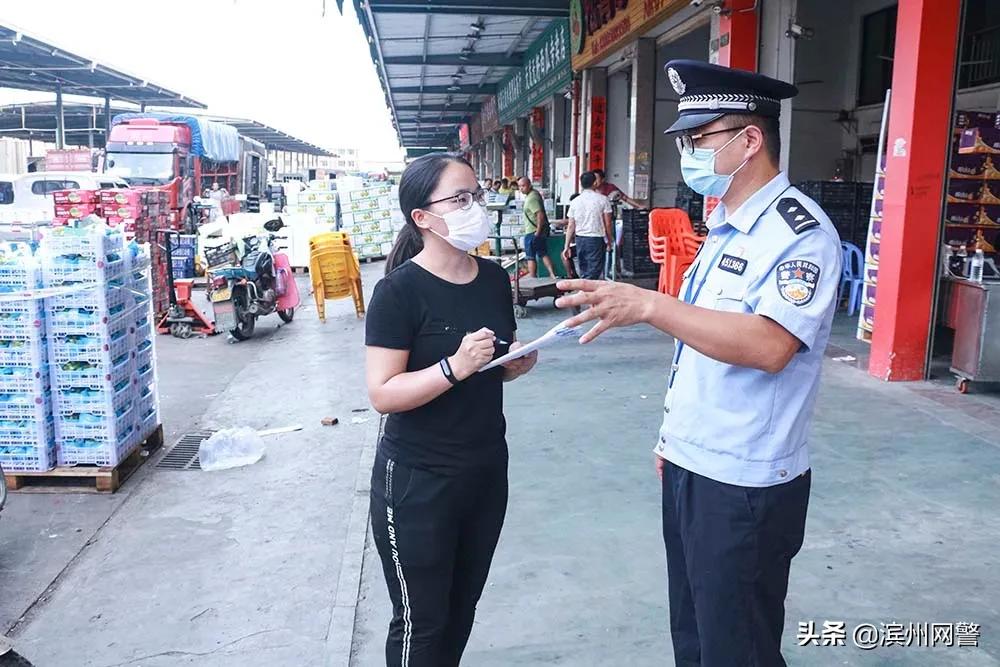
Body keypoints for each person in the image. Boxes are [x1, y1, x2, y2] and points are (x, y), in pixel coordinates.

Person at [556, 60, 841, 666]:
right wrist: (673, 436)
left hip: (745, 477)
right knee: (694, 633)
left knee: (736, 645)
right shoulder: (724, 227)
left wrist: (653, 306)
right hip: (694, 459)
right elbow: (702, 348)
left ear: (750, 140)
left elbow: (768, 345)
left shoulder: (797, 233)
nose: (687, 151)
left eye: (698, 138)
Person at [365, 152, 538, 667]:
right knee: (423, 621)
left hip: (484, 469)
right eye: (460, 199)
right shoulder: (398, 292)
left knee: (462, 608)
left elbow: (494, 359)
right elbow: (382, 393)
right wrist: (453, 367)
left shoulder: (491, 278)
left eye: (476, 197)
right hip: (419, 479)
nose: (475, 208)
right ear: (422, 217)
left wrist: (512, 363)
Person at [562, 171, 613, 280]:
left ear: (581, 184)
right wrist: (609, 240)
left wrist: (566, 246)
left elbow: (571, 226)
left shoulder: (575, 202)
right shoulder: (603, 200)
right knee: (594, 271)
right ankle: (588, 293)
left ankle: (585, 291)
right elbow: (607, 224)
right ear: (595, 183)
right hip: (596, 239)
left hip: (580, 239)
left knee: (584, 269)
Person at [517, 177, 557, 278]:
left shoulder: (531, 198)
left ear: (529, 185)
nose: (521, 188)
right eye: (519, 186)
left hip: (532, 231)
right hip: (538, 230)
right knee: (542, 253)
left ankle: (532, 277)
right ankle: (552, 274)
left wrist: (537, 232)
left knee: (530, 257)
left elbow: (540, 215)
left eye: (523, 186)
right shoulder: (534, 194)